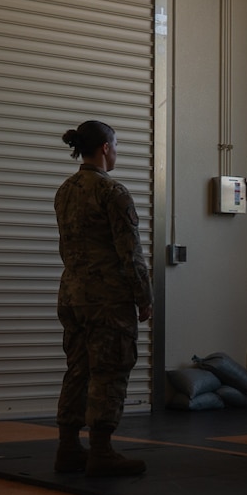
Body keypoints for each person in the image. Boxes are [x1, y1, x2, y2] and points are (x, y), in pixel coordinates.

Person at [54, 120, 152, 476]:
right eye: (117, 144)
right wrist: (144, 296)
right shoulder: (113, 192)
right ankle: (101, 451)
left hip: (72, 295)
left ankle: (68, 448)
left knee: (77, 370)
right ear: (106, 148)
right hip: (107, 299)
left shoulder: (65, 190)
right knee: (110, 371)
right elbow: (130, 253)